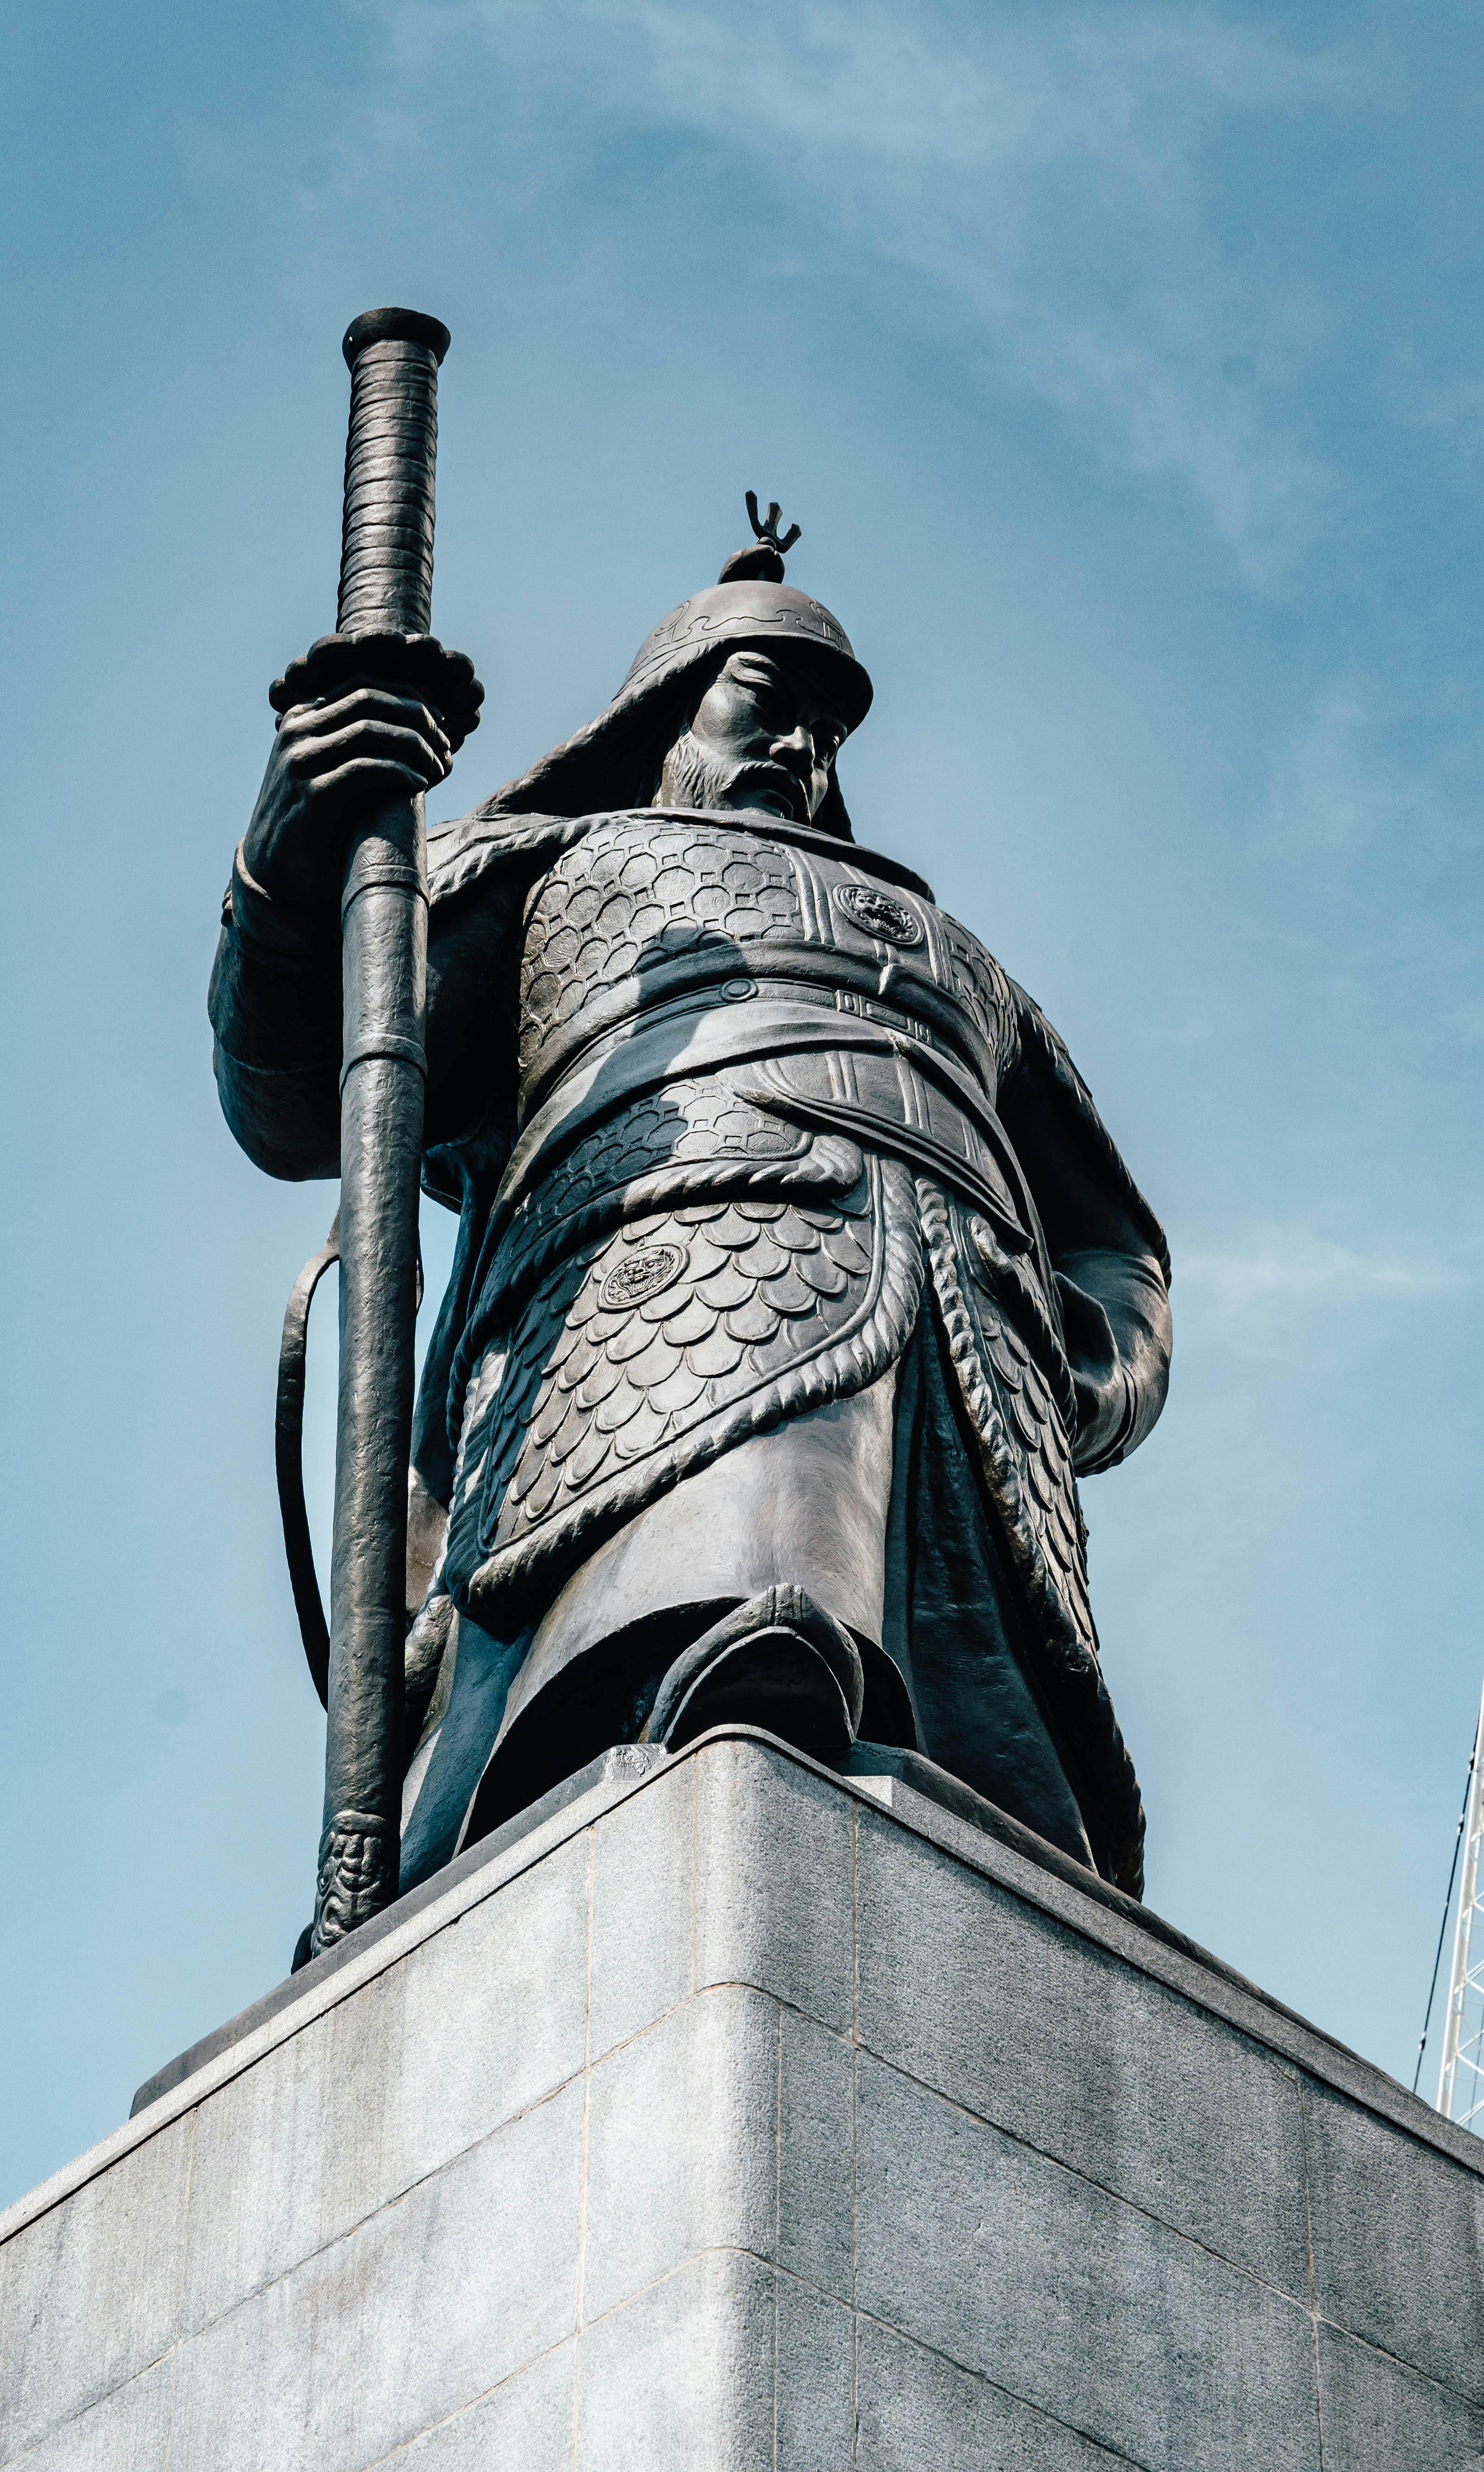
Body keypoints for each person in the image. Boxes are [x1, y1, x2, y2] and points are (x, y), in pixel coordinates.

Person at [209, 509, 1172, 1894]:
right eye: (767, 708)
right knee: (731, 1548)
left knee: (1002, 1767)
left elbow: (1114, 1240)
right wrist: (292, 855)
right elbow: (314, 1102)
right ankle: (708, 1667)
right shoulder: (549, 870)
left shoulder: (963, 962)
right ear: (668, 709)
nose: (799, 751)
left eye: (827, 738)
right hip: (669, 1273)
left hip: (969, 1339)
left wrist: (1097, 1365)